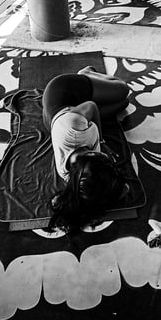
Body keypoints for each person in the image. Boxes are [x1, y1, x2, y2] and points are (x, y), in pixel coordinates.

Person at [43, 66, 131, 231]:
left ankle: (85, 74)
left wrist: (102, 141)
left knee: (123, 90)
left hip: (63, 91)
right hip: (62, 115)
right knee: (122, 104)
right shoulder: (76, 176)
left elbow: (91, 106)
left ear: (91, 153)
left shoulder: (77, 131)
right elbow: (121, 189)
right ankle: (97, 86)